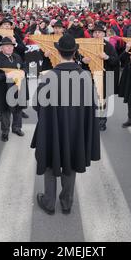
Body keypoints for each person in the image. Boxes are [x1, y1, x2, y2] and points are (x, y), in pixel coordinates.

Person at [31, 34, 101, 215]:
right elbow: (92, 106)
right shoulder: (85, 76)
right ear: (75, 52)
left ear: (58, 51)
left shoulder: (49, 76)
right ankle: (66, 202)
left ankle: (49, 202)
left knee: (49, 163)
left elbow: (37, 104)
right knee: (70, 162)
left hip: (52, 129)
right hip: (76, 131)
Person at [0, 37, 27, 142]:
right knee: (5, 112)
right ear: (1, 48)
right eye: (7, 46)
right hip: (4, 89)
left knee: (18, 110)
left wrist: (23, 71)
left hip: (18, 88)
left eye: (11, 46)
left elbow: (24, 66)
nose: (10, 48)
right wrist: (4, 76)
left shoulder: (17, 57)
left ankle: (17, 128)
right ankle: (5, 132)